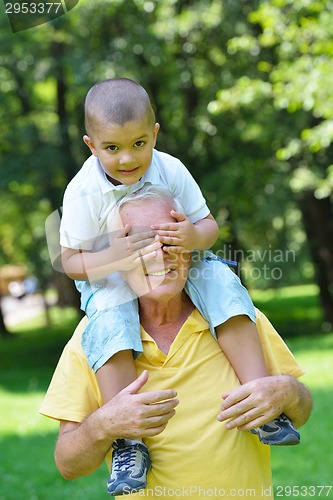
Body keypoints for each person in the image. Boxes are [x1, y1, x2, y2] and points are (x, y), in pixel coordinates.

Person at [57, 78, 298, 495]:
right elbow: (69, 262)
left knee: (223, 278)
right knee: (111, 319)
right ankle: (127, 442)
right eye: (112, 148)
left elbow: (208, 226)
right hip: (110, 270)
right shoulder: (82, 192)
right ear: (91, 145)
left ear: (154, 133)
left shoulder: (171, 168)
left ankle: (260, 400)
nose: (128, 158)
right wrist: (115, 256)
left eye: (138, 143)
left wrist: (191, 238)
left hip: (189, 256)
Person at [40, 187, 312, 499]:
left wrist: (288, 392)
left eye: (170, 239)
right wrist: (103, 425)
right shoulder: (93, 338)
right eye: (140, 245)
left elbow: (301, 411)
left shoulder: (237, 319)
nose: (159, 254)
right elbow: (67, 464)